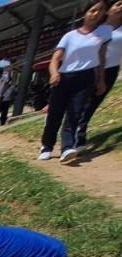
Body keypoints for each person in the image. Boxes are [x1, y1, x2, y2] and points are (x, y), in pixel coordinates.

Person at [38, 0, 111, 163]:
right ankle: (47, 146)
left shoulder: (104, 33)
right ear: (85, 13)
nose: (96, 14)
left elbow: (101, 57)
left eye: (100, 11)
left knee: (75, 113)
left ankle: (67, 148)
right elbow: (55, 58)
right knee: (55, 114)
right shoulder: (69, 36)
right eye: (92, 10)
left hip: (87, 77)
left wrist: (101, 80)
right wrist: (54, 73)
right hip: (64, 77)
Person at [76, 0, 122, 149]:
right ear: (108, 10)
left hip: (111, 70)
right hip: (91, 69)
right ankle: (75, 133)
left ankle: (80, 131)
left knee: (94, 102)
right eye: (118, 4)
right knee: (83, 102)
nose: (121, 7)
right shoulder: (96, 27)